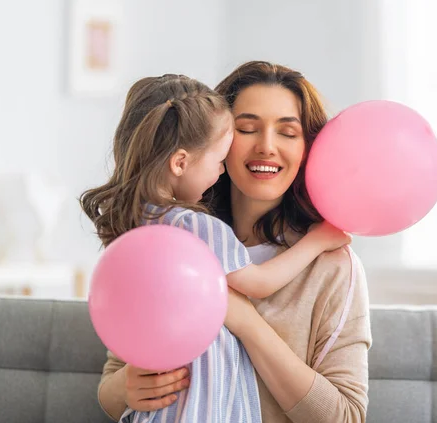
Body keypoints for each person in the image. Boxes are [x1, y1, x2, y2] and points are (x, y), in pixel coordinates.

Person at [95, 62, 372, 423]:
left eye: (288, 132)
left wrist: (244, 320)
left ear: (307, 149)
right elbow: (111, 387)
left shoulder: (332, 266)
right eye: (246, 128)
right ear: (217, 137)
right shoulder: (171, 242)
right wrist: (126, 388)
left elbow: (346, 416)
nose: (267, 147)